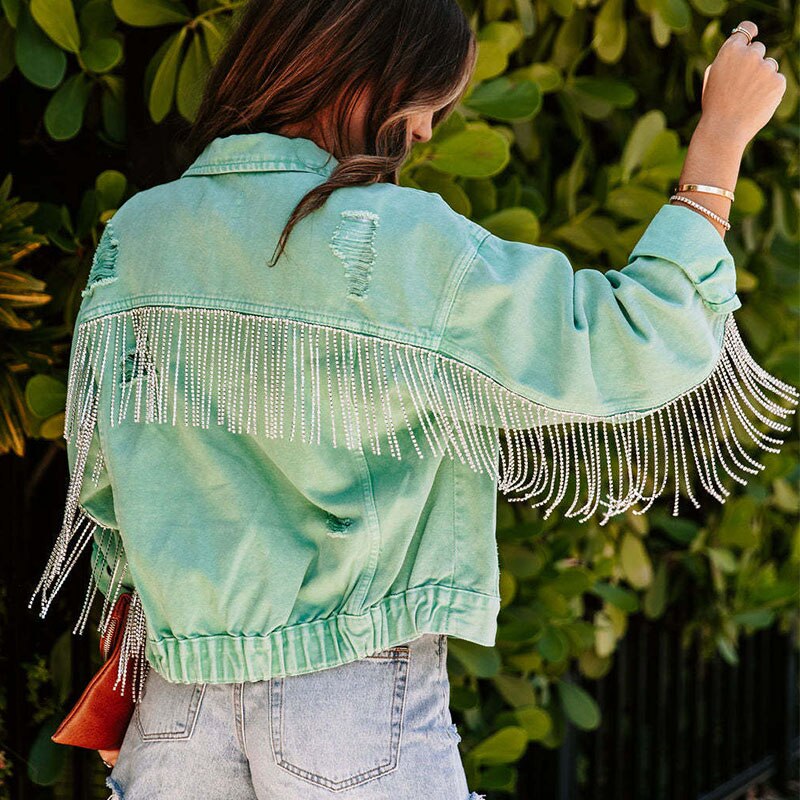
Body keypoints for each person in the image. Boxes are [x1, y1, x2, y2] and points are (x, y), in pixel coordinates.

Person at [27, 2, 796, 798]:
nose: (426, 132)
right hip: (346, 694)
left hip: (174, 697)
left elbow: (111, 487)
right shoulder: (394, 238)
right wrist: (719, 143)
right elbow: (637, 340)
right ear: (370, 75)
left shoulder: (142, 230)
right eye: (429, 100)